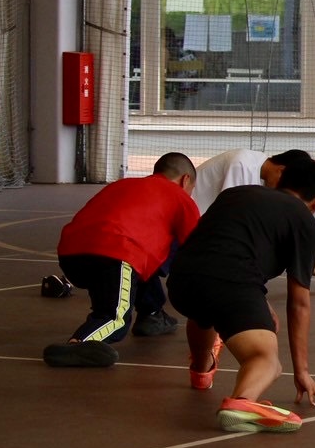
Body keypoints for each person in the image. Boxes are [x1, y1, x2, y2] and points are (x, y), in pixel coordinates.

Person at [167, 157, 315, 433]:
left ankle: (201, 371)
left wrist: (257, 302)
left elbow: (219, 247)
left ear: (279, 181)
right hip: (231, 284)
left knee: (205, 312)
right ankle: (242, 402)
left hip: (182, 281)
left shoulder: (235, 194)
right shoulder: (304, 222)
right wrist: (301, 370)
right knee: (265, 359)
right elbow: (299, 303)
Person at [44, 153, 201, 368]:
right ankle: (78, 343)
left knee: (142, 261)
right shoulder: (181, 197)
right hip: (115, 253)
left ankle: (152, 313)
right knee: (115, 320)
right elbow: (198, 248)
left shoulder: (123, 185)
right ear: (185, 180)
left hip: (71, 254)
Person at [193, 147, 315, 289]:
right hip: (192, 230)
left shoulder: (255, 167)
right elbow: (231, 218)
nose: (282, 192)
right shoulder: (241, 164)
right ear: (281, 170)